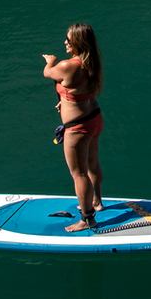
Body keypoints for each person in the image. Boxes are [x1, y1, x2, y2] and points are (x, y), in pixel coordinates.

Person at [42, 23, 105, 231]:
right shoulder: (91, 62)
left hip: (77, 128)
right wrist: (65, 98)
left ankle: (87, 219)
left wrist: (50, 61)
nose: (65, 42)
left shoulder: (67, 66)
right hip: (93, 118)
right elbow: (77, 89)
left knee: (78, 173)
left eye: (69, 39)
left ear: (78, 42)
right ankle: (97, 201)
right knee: (92, 163)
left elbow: (48, 73)